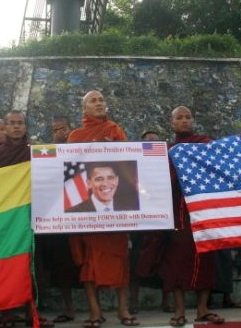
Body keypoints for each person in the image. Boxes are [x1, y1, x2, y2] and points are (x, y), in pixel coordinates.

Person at [67, 90, 139, 328]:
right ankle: (95, 312)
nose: (99, 103)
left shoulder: (115, 130)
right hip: (87, 212)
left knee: (120, 262)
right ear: (84, 109)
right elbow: (70, 168)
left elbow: (129, 161)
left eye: (101, 100)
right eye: (93, 101)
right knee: (89, 264)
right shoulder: (75, 136)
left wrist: (110, 147)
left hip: (114, 212)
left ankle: (123, 310)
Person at [0, 110, 53, 328]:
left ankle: (32, 311)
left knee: (32, 263)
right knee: (6, 263)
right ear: (4, 127)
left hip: (31, 214)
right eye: (12, 123)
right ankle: (6, 313)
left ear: (25, 127)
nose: (16, 127)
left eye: (20, 123)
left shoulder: (36, 152)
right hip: (6, 217)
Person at [158, 106, 224, 326]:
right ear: (172, 123)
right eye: (179, 117)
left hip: (202, 209)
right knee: (177, 258)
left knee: (206, 257)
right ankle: (179, 310)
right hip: (178, 211)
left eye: (188, 117)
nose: (184, 121)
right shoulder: (167, 150)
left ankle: (202, 308)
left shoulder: (204, 143)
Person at [129, 130, 174, 315]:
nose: (151, 145)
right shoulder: (133, 165)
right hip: (141, 220)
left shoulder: (167, 164)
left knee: (165, 261)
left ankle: (166, 301)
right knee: (136, 263)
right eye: (147, 142)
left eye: (155, 142)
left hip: (163, 218)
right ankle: (133, 302)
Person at [48, 116, 79, 323]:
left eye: (63, 128)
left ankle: (96, 309)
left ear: (71, 129)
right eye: (56, 130)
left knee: (84, 263)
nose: (60, 132)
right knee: (62, 266)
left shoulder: (81, 150)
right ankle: (69, 308)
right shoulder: (46, 154)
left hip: (82, 216)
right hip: (57, 219)